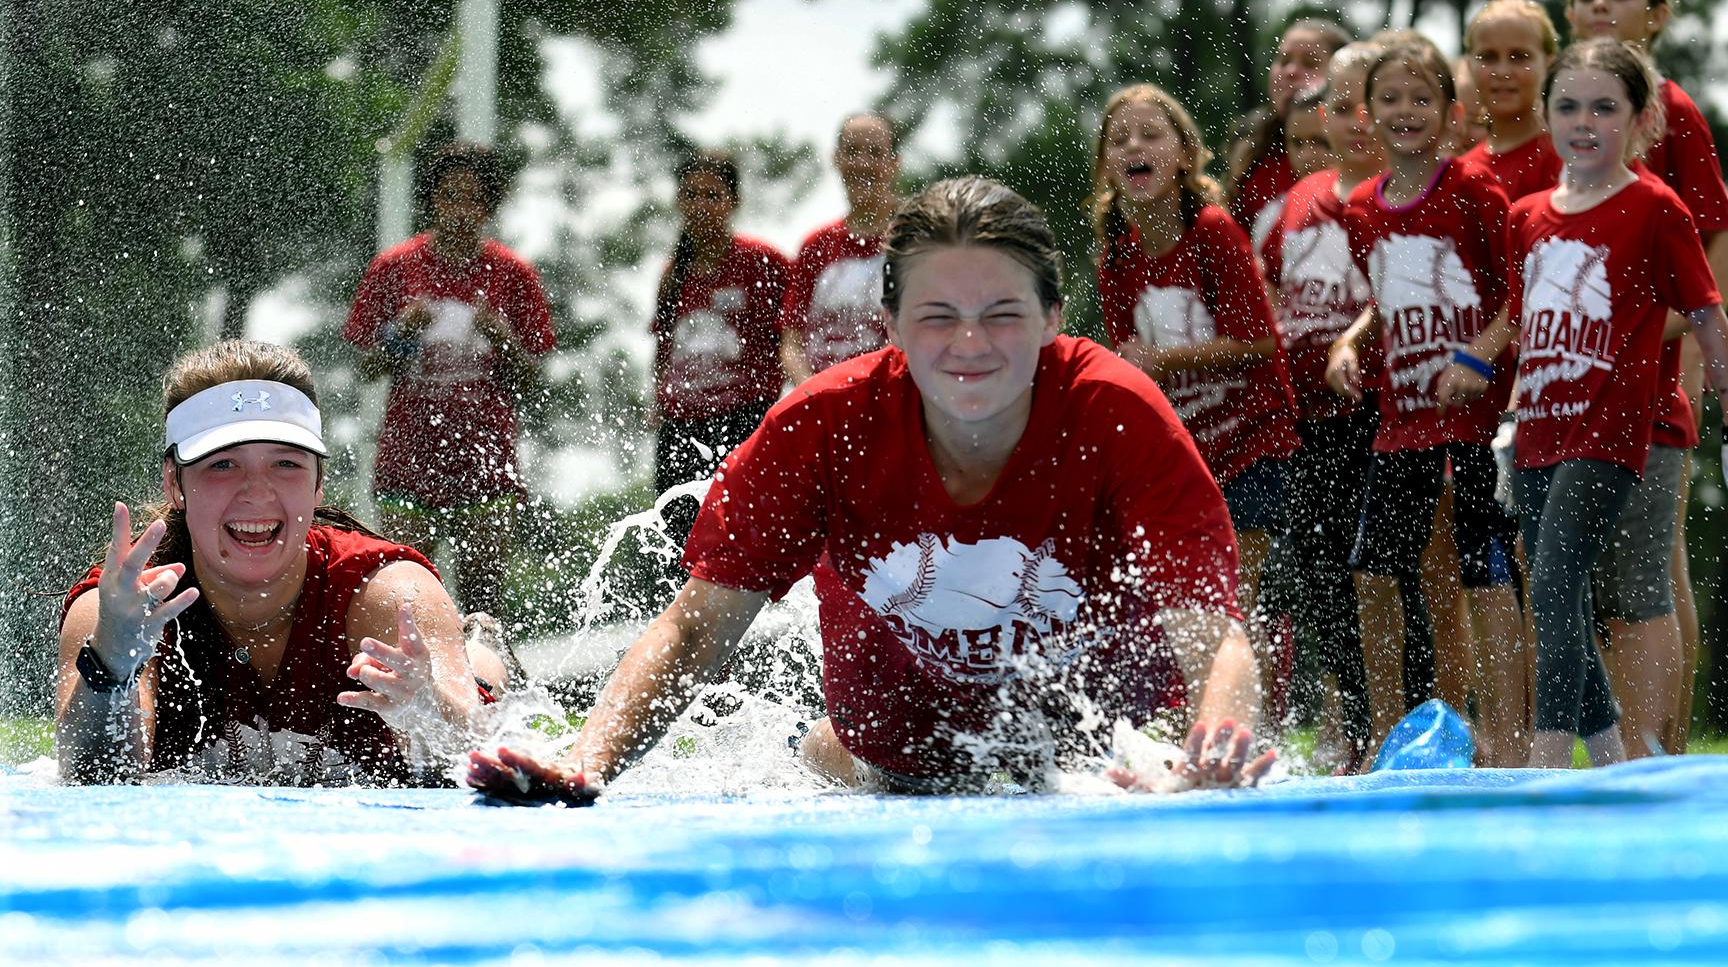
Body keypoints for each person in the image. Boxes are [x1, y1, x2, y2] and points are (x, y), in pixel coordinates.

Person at [468, 176, 1274, 802]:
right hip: (891, 745)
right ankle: (819, 746)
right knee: (855, 757)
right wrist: (584, 762)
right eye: (936, 315)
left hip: (1093, 743)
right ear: (887, 322)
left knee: (1147, 759)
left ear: (1053, 316)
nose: (969, 345)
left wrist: (1215, 746)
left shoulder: (1115, 411)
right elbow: (694, 631)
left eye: (1001, 313)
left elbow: (1209, 628)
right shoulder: (824, 423)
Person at [1440, 38, 1728, 768]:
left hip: (1612, 433)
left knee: (1559, 578)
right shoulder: (1526, 216)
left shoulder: (1655, 206)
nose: (1583, 121)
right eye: (1567, 106)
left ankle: (1550, 757)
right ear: (1546, 114)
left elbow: (1710, 319)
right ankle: (1614, 748)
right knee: (1555, 587)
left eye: (1604, 107)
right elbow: (1531, 332)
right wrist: (1507, 423)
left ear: (1639, 117)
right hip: (1537, 435)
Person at [56, 341, 489, 786]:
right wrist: (110, 662)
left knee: (474, 681)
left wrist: (427, 707)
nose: (257, 492)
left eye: (285, 463)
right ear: (175, 483)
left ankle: (482, 649)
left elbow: (476, 755)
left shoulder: (385, 593)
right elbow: (91, 779)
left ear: (319, 484)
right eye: (222, 465)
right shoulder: (120, 610)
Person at [1325, 38, 1529, 768]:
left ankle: (1505, 738)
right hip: (1402, 420)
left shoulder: (1473, 189)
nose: (1404, 112)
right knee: (1374, 571)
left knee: (1485, 569)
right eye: (1389, 100)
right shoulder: (1358, 207)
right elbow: (1387, 298)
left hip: (1478, 421)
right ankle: (1389, 732)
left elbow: (1520, 290)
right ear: (1364, 116)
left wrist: (1478, 355)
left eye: (1421, 99)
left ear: (1450, 112)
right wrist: (1347, 343)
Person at [1564, 0, 1728, 756]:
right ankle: (1617, 738)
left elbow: (1722, 242)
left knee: (1654, 559)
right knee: (1593, 566)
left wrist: (1694, 340)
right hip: (1576, 370)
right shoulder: (1568, 108)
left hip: (1654, 367)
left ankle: (1662, 742)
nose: (1600, 7)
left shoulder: (1670, 107)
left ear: (1657, 15)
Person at [1090, 84, 1301, 730]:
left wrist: (1165, 363)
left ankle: (1232, 730)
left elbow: (1262, 340)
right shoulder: (1118, 255)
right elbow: (1127, 361)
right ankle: (1211, 722)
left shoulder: (1211, 231)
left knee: (1230, 596)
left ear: (1184, 155)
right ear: (1105, 167)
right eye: (1119, 139)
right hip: (1189, 456)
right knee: (1189, 598)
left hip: (1255, 441)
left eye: (1151, 134)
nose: (1134, 147)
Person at [343, 143, 556, 620]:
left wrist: (503, 341)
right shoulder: (395, 268)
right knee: (407, 595)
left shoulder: (513, 274)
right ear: (432, 201)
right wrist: (401, 335)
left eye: (472, 199)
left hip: (486, 455)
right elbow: (367, 370)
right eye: (449, 196)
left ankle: (488, 687)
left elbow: (533, 376)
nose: (460, 210)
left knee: (484, 607)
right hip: (409, 453)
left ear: (488, 207)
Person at [1259, 44, 1384, 768]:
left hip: (1380, 410)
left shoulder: (1397, 195)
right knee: (1321, 575)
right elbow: (1273, 289)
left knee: (1383, 572)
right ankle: (1350, 727)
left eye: (1366, 108)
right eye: (1340, 110)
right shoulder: (1299, 202)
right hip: (1307, 418)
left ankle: (1390, 719)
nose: (1354, 123)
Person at [650, 150, 789, 546]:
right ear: (679, 201)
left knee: (747, 537)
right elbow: (664, 351)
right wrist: (656, 403)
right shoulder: (673, 273)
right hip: (681, 427)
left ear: (734, 201)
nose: (701, 206)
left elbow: (792, 336)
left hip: (745, 419)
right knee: (678, 543)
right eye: (691, 195)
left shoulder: (762, 262)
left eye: (712, 195)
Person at [781, 113, 902, 386]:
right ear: (836, 159)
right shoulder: (815, 246)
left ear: (894, 163)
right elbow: (791, 342)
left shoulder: (916, 239)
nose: (862, 163)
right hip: (825, 402)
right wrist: (813, 392)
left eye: (875, 153)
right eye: (852, 152)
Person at [1224, 18, 1353, 246]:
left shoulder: (1365, 152)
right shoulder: (1251, 151)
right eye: (1283, 61)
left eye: (1309, 63)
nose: (1291, 72)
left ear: (1343, 78)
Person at [1460, 0, 1562, 201]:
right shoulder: (1461, 172)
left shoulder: (1568, 158)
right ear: (1470, 64)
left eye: (1519, 56)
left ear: (1548, 64)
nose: (1503, 71)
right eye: (1488, 57)